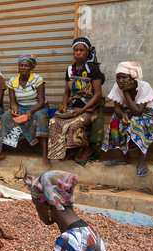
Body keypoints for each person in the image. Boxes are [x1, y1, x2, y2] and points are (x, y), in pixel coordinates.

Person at [5, 170, 107, 251]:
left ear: (48, 204)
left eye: (36, 206)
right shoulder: (91, 232)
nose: (37, 212)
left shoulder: (67, 241)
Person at [48, 37, 104, 165]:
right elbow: (66, 92)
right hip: (73, 108)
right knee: (54, 122)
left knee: (75, 124)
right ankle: (65, 150)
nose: (78, 53)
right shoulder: (70, 70)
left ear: (87, 52)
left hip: (90, 108)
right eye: (75, 50)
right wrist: (63, 106)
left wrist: (82, 110)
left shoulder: (93, 68)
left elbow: (98, 94)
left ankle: (87, 148)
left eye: (81, 50)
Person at [101, 61, 153, 177]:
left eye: (124, 77)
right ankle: (124, 156)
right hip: (133, 110)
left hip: (152, 112)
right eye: (118, 78)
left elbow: (138, 112)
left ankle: (141, 159)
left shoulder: (144, 87)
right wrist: (123, 115)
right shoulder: (117, 86)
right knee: (115, 118)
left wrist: (126, 93)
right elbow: (117, 108)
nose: (120, 81)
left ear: (132, 78)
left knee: (136, 122)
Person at [0, 55, 50, 164]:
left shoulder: (38, 80)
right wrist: (14, 108)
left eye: (26, 66)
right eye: (21, 65)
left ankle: (44, 155)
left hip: (38, 107)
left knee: (40, 117)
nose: (23, 68)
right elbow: (13, 102)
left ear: (31, 67)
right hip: (22, 108)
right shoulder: (12, 81)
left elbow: (41, 101)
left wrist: (31, 111)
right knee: (6, 116)